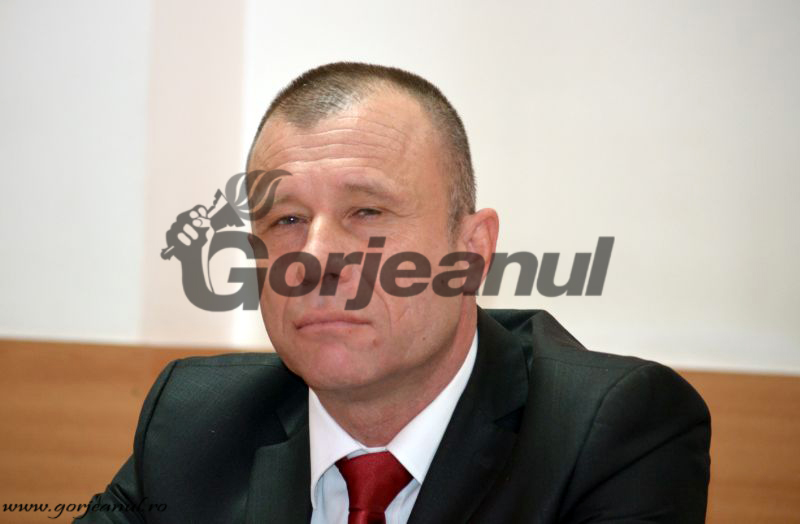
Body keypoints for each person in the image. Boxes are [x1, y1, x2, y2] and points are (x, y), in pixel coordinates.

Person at [77, 63, 710, 523]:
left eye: (368, 212)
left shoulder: (610, 432)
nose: (315, 259)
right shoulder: (193, 423)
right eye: (287, 220)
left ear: (471, 252)